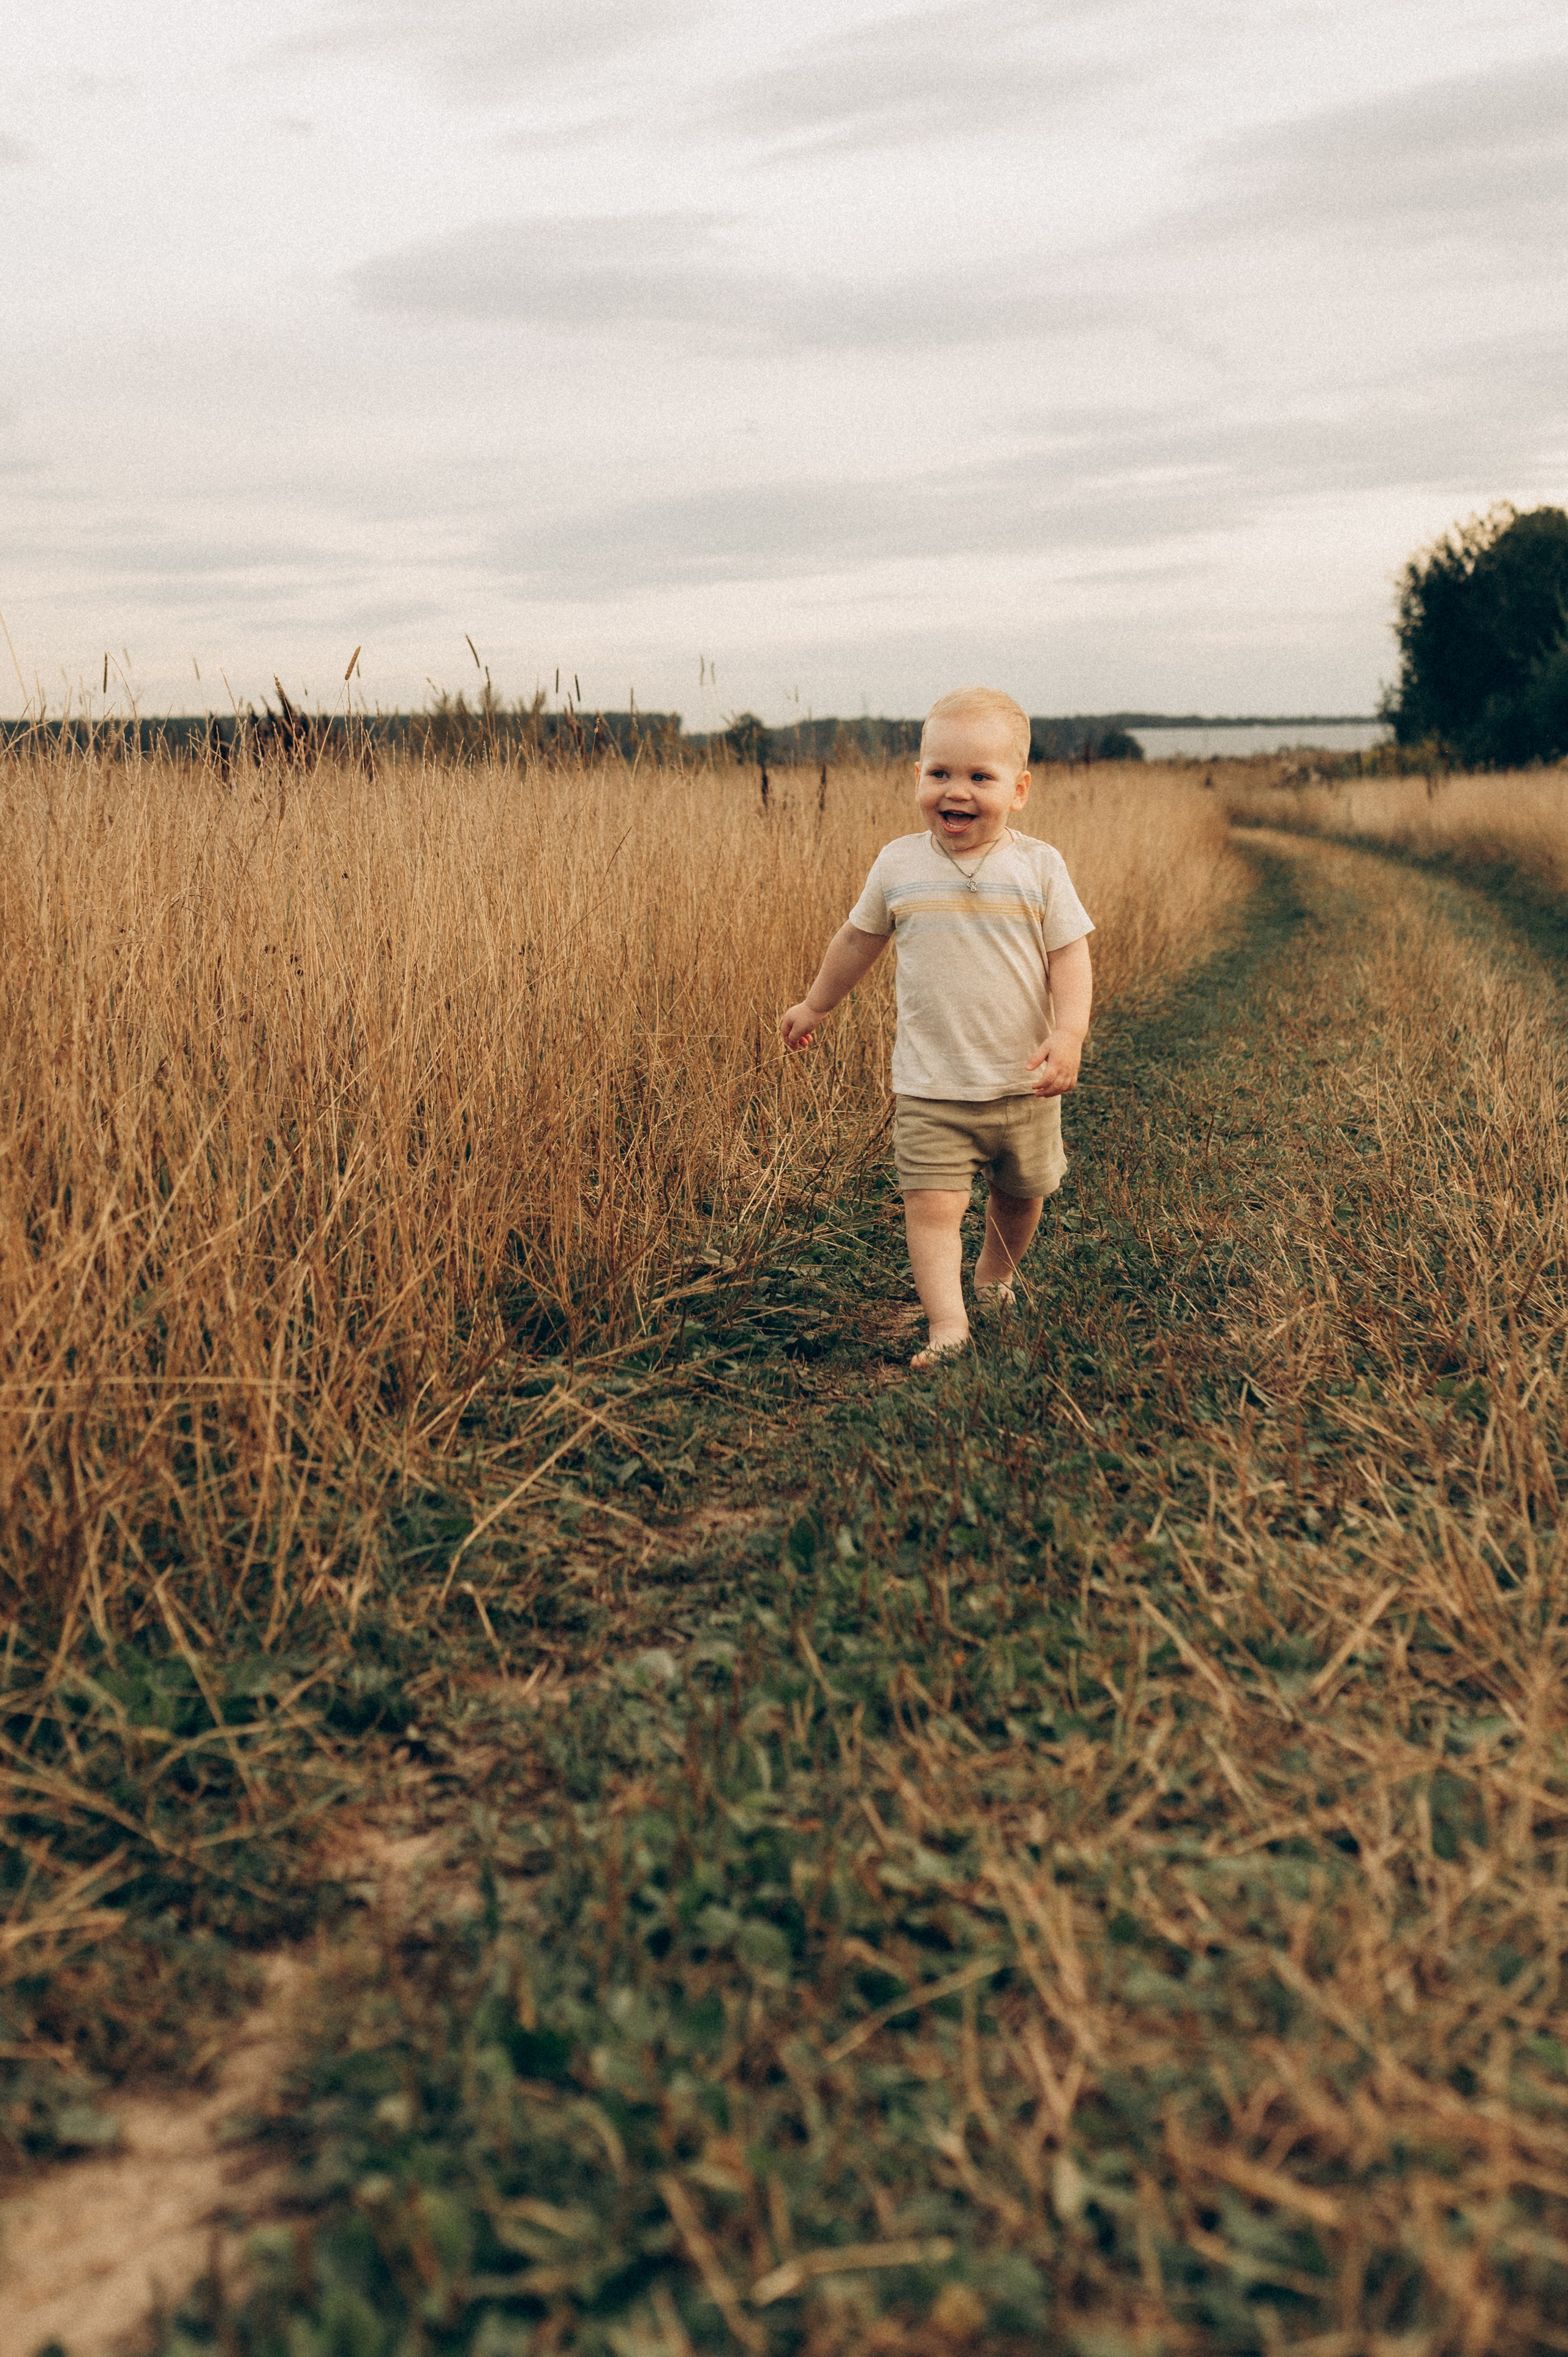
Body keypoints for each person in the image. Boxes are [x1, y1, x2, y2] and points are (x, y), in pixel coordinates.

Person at [780, 687, 1093, 1368]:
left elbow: (1070, 957)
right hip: (931, 1087)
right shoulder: (899, 864)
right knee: (931, 1206)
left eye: (980, 776)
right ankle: (947, 1323)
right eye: (939, 773)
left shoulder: (1037, 866)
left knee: (1022, 1197)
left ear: (1019, 790)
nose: (957, 790)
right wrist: (817, 1004)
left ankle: (994, 1275)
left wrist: (1067, 1036)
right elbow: (857, 940)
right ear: (917, 777)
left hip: (1022, 1084)